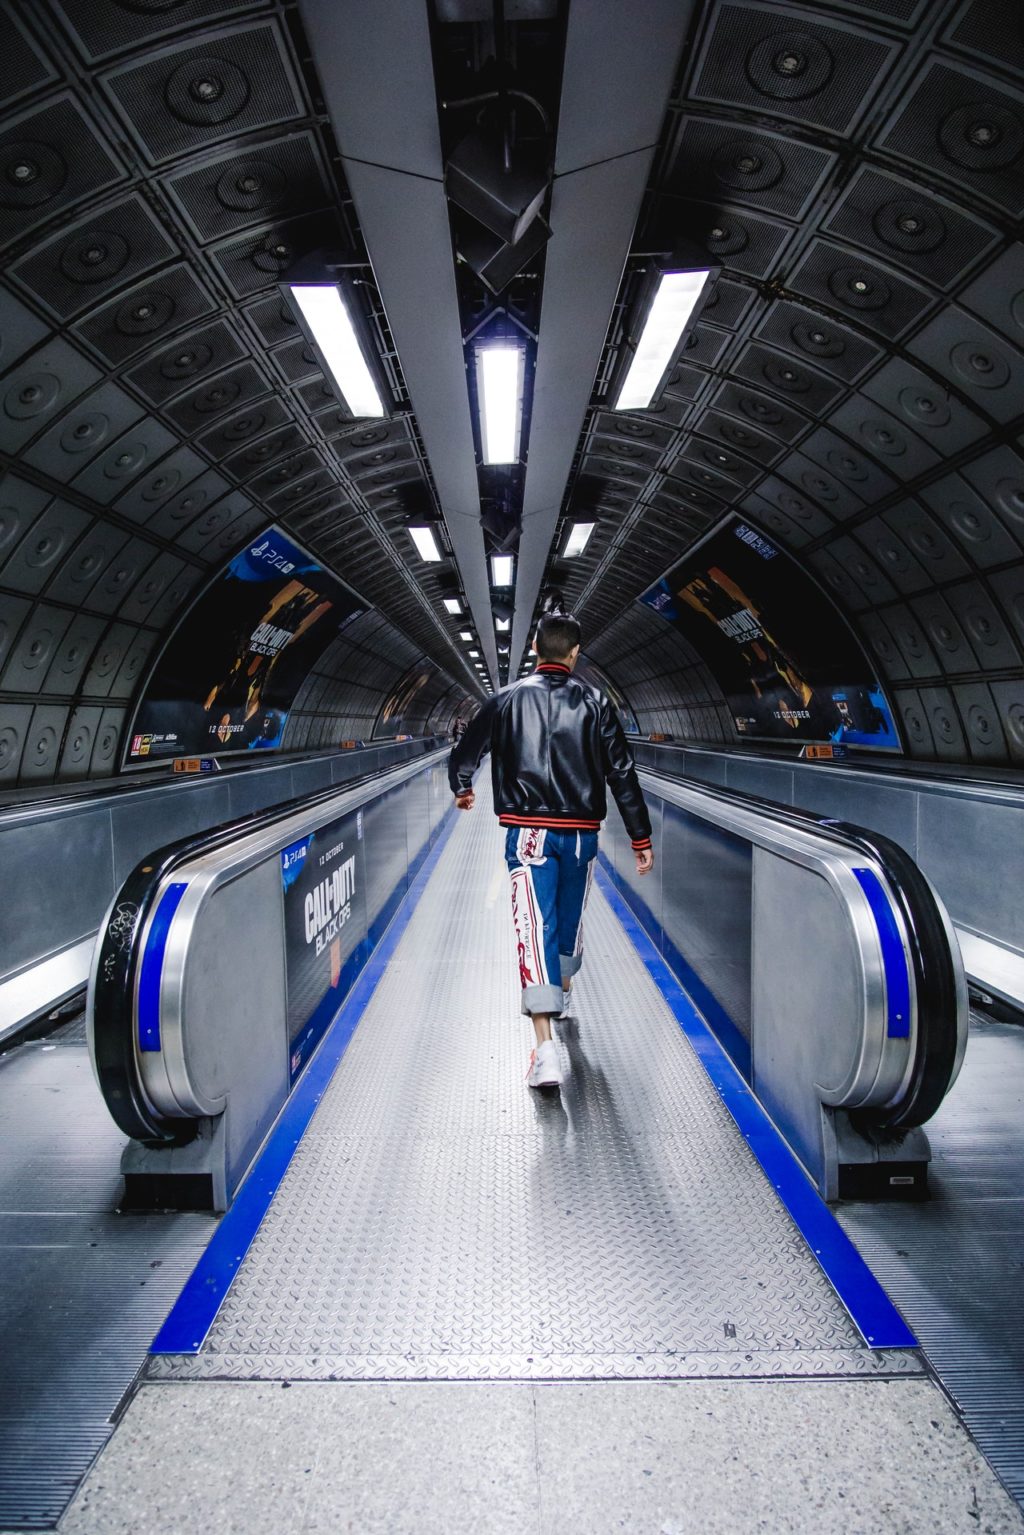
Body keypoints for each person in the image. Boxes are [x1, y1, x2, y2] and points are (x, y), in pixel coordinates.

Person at [448, 611, 654, 1090]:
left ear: (536, 649)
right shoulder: (597, 702)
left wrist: (462, 786)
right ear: (576, 654)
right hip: (582, 835)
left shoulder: (507, 699)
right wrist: (640, 837)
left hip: (530, 834)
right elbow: (622, 772)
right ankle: (557, 1004)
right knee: (567, 920)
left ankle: (545, 1049)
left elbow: (468, 748)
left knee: (533, 927)